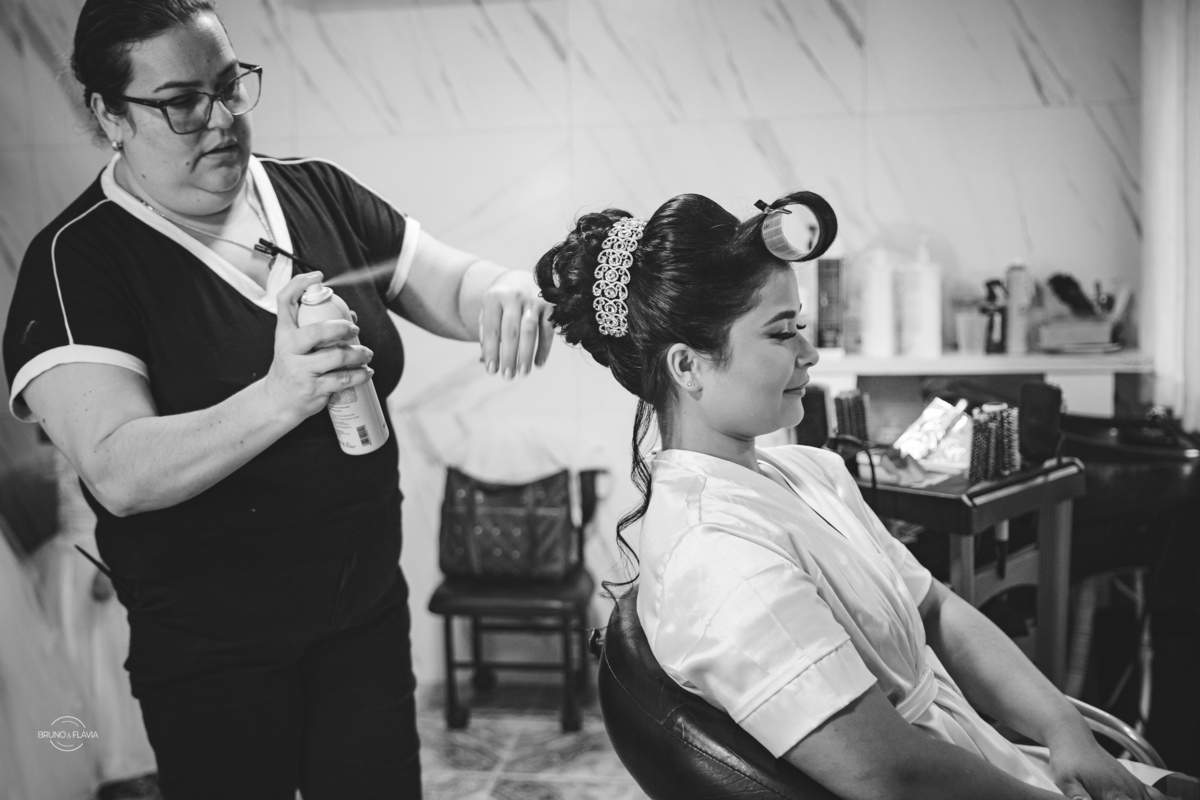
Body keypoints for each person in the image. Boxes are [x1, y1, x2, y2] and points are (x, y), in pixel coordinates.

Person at [2, 1, 553, 798]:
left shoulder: (314, 191)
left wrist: (504, 288)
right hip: (212, 654)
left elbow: (454, 282)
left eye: (230, 86)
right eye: (182, 103)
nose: (222, 119)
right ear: (109, 114)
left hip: (363, 615)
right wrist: (280, 396)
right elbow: (119, 469)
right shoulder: (76, 261)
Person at [533, 193, 1172, 800]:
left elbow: (935, 610)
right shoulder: (717, 556)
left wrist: (1065, 730)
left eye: (801, 326)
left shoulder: (810, 472)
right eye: (781, 334)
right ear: (688, 366)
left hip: (990, 761)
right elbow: (888, 774)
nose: (809, 353)